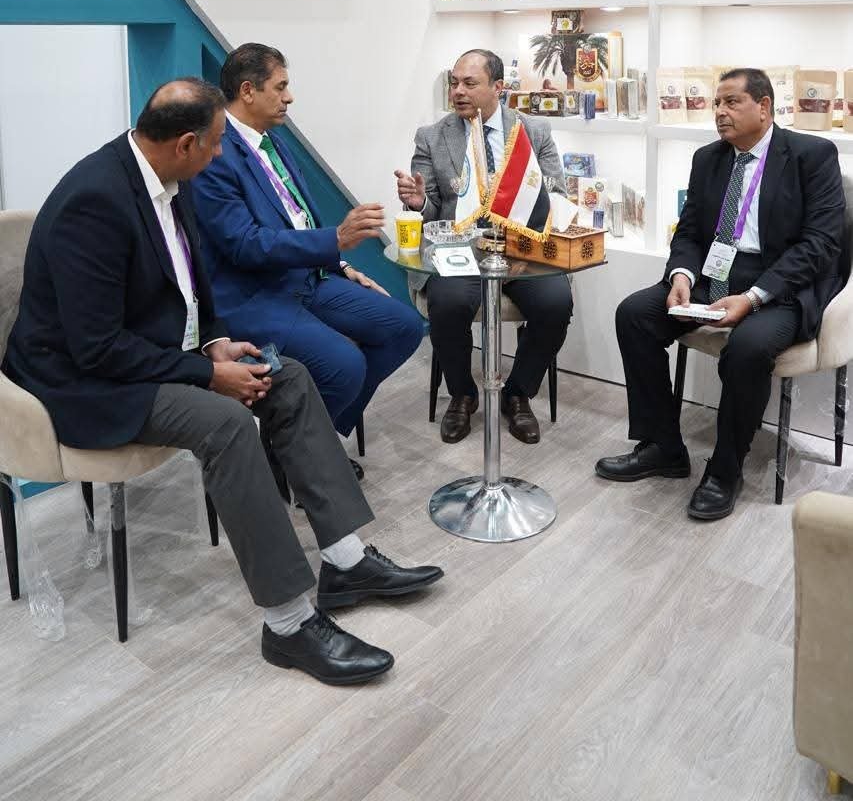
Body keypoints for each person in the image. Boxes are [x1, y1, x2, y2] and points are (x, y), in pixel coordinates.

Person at [2, 79, 442, 684]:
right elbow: (96, 348)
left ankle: (345, 562)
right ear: (185, 143)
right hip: (84, 382)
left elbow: (188, 285)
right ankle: (288, 625)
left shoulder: (168, 179)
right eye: (214, 144)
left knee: (290, 377)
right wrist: (207, 373)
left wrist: (212, 343)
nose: (219, 156)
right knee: (229, 423)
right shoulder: (94, 203)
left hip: (151, 354)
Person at [595, 68, 846, 521]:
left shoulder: (811, 155)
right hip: (715, 272)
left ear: (764, 107)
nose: (719, 112)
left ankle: (726, 470)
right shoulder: (708, 158)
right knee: (635, 314)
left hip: (781, 281)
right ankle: (663, 446)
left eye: (732, 102)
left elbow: (820, 245)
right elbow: (690, 230)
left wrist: (753, 297)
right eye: (716, 103)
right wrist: (681, 275)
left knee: (748, 348)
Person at [191, 45, 423, 462]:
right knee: (345, 365)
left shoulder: (274, 142)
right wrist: (335, 239)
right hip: (255, 295)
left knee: (405, 326)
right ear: (248, 91)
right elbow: (245, 244)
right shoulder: (216, 153)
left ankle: (305, 444)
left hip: (308, 277)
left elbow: (296, 218)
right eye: (280, 87)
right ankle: (304, 455)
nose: (290, 97)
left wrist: (341, 263)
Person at [395, 49, 572, 445]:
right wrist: (419, 203)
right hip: (461, 252)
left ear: (498, 87)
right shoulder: (432, 137)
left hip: (522, 252)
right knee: (447, 302)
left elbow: (556, 194)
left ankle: (517, 394)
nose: (458, 91)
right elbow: (432, 212)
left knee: (556, 303)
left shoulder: (533, 131)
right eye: (454, 83)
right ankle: (462, 394)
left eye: (469, 83)